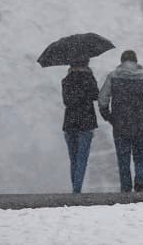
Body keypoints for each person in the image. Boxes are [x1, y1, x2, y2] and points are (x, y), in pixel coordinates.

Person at [98, 50, 143, 192]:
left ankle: (126, 188)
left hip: (120, 123)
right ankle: (139, 183)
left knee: (123, 157)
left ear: (121, 61)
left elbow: (102, 99)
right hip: (140, 123)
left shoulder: (113, 76)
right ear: (136, 61)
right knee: (140, 155)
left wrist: (107, 115)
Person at [61, 56, 99, 193]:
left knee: (74, 159)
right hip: (86, 121)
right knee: (82, 158)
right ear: (87, 62)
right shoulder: (89, 78)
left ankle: (75, 189)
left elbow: (66, 101)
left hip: (70, 122)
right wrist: (88, 83)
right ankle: (77, 190)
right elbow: (96, 95)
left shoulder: (66, 80)